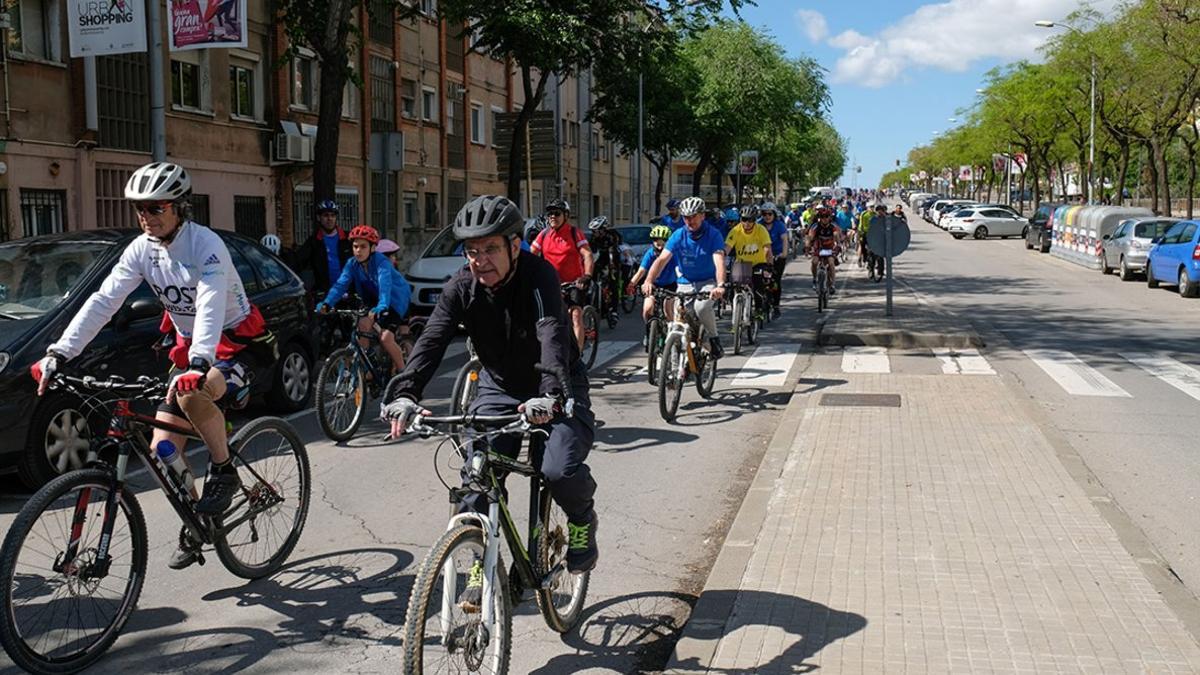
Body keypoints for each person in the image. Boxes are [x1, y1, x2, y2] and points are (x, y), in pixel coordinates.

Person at [30, 162, 266, 570]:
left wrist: (199, 360)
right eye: (139, 208)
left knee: (193, 393)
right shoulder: (141, 249)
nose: (146, 216)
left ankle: (225, 471)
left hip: (232, 348)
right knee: (162, 450)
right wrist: (59, 353)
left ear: (180, 207)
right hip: (192, 352)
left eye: (156, 207)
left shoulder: (205, 244)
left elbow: (210, 303)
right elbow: (104, 301)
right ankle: (199, 523)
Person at [382, 195, 599, 582]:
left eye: (491, 249)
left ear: (515, 246)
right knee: (476, 480)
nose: (480, 259)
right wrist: (406, 392)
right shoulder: (461, 287)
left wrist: (550, 395)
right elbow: (431, 339)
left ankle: (582, 520)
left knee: (557, 470)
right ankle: (483, 561)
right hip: (500, 388)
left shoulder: (539, 276)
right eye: (471, 250)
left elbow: (551, 333)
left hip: (557, 384)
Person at [316, 225, 412, 373]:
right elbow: (340, 285)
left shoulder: (382, 262)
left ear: (373, 248)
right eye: (355, 246)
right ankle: (366, 369)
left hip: (395, 299)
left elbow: (385, 286)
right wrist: (327, 303)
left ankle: (404, 374)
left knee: (386, 338)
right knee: (362, 325)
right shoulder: (352, 264)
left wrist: (382, 306)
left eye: (363, 246)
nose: (358, 251)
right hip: (373, 298)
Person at [641, 196, 727, 359]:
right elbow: (661, 260)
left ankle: (714, 340)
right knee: (677, 323)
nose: (689, 221)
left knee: (701, 308)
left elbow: (719, 261)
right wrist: (648, 281)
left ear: (702, 215)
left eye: (693, 216)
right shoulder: (678, 235)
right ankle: (674, 371)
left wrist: (720, 284)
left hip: (707, 281)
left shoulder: (713, 235)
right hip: (685, 282)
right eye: (686, 217)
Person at [530, 199, 593, 350]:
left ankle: (577, 356)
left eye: (557, 213)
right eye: (550, 214)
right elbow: (531, 255)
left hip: (574, 282)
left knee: (575, 315)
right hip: (551, 283)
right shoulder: (544, 235)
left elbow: (587, 254)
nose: (552, 217)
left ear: (566, 216)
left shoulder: (574, 233)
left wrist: (587, 275)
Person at [293, 200, 352, 298]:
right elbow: (298, 262)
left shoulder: (347, 239)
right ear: (319, 218)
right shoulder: (314, 241)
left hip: (348, 293)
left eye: (332, 215)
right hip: (325, 294)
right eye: (326, 215)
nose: (329, 219)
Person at [626, 224, 677, 335]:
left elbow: (680, 270)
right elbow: (641, 271)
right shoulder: (650, 253)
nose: (659, 247)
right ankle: (649, 332)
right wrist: (631, 284)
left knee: (668, 311)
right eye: (657, 243)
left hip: (670, 284)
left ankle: (671, 337)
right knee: (647, 309)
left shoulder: (673, 254)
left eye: (663, 244)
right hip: (653, 284)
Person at [587, 216, 624, 321]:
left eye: (596, 231)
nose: (594, 233)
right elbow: (589, 252)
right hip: (601, 258)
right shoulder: (593, 238)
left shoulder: (612, 236)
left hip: (613, 257)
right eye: (593, 231)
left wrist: (612, 267)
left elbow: (612, 252)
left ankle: (614, 311)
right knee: (592, 277)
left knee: (613, 282)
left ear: (603, 229)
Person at [759, 202, 789, 319]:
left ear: (774, 214)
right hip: (762, 256)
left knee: (775, 281)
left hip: (777, 255)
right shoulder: (758, 224)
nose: (767, 216)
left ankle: (776, 306)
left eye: (769, 214)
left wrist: (784, 254)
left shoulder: (779, 225)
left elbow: (785, 240)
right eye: (764, 214)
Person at [806, 207, 842, 293]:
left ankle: (832, 284)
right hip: (818, 247)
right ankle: (815, 279)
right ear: (819, 218)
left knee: (831, 262)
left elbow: (836, 235)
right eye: (822, 216)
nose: (824, 218)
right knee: (814, 262)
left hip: (830, 247)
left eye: (826, 216)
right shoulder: (815, 226)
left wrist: (838, 244)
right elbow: (810, 237)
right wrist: (807, 246)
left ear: (829, 217)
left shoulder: (833, 226)